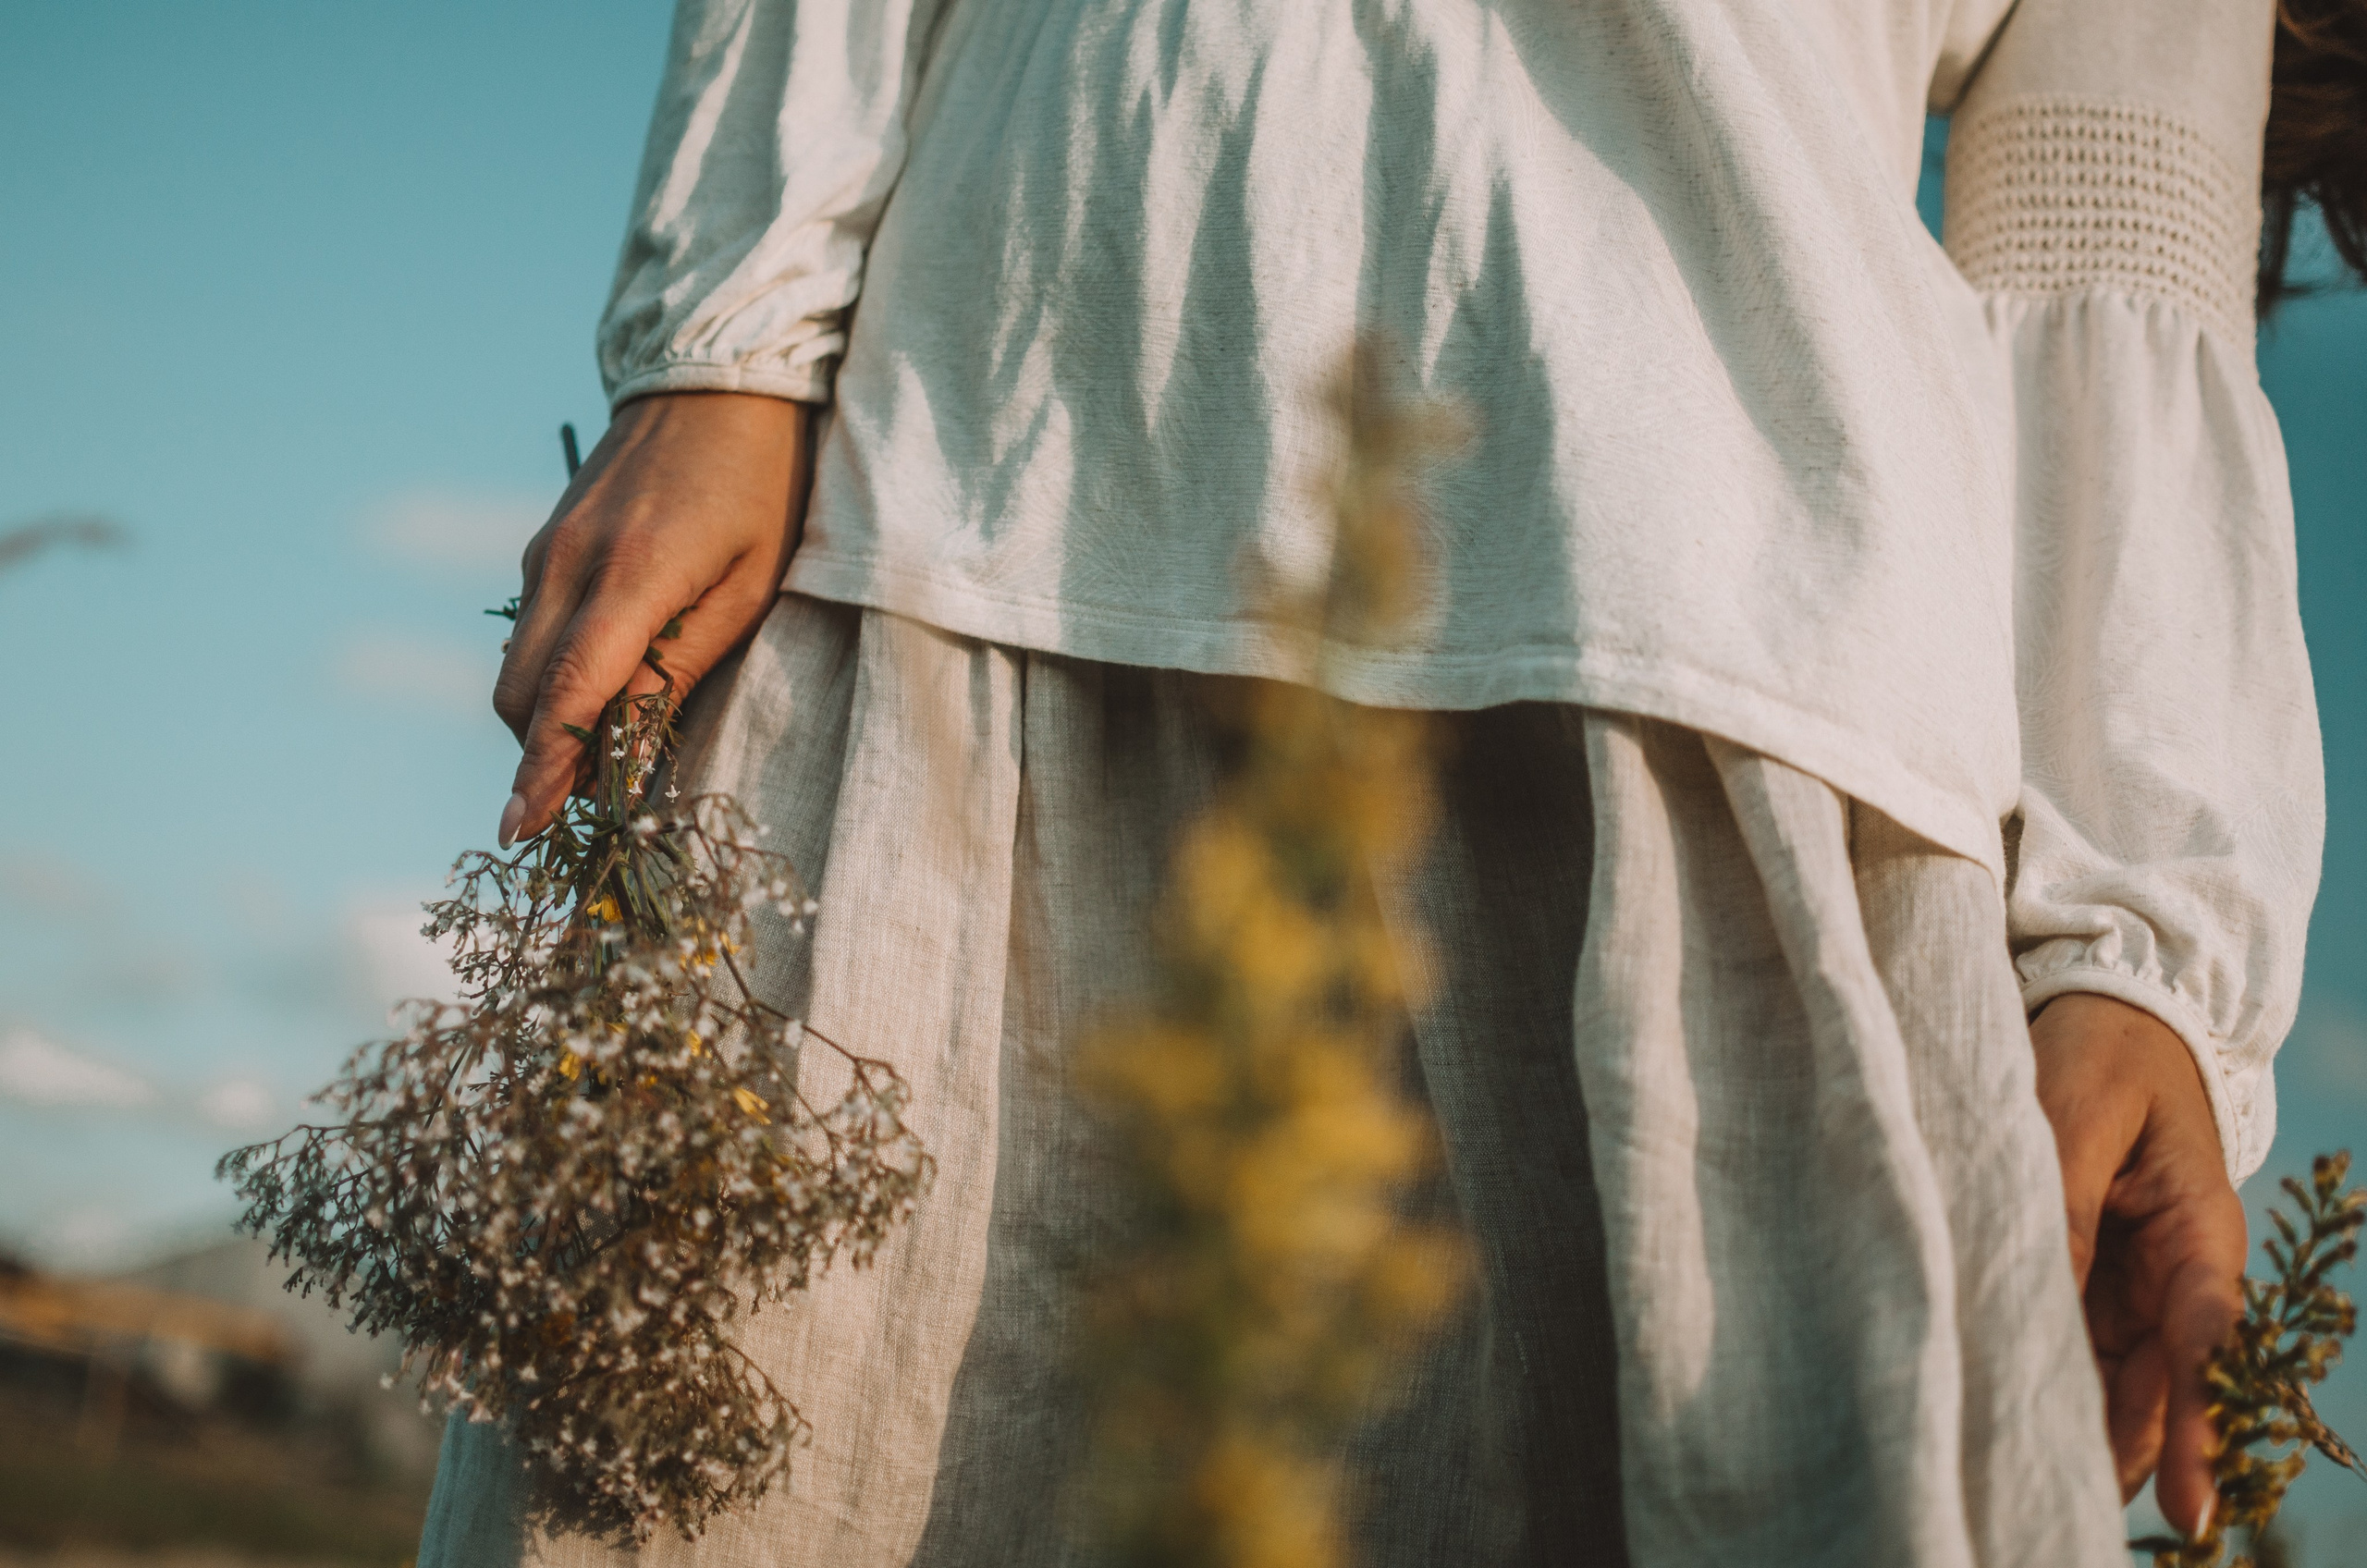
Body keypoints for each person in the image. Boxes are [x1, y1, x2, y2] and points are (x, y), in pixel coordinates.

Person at [421, 0, 2362, 1562]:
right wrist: (729, 339)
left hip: (1704, 720)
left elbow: (2118, 238)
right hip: (967, 513)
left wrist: (2138, 936)